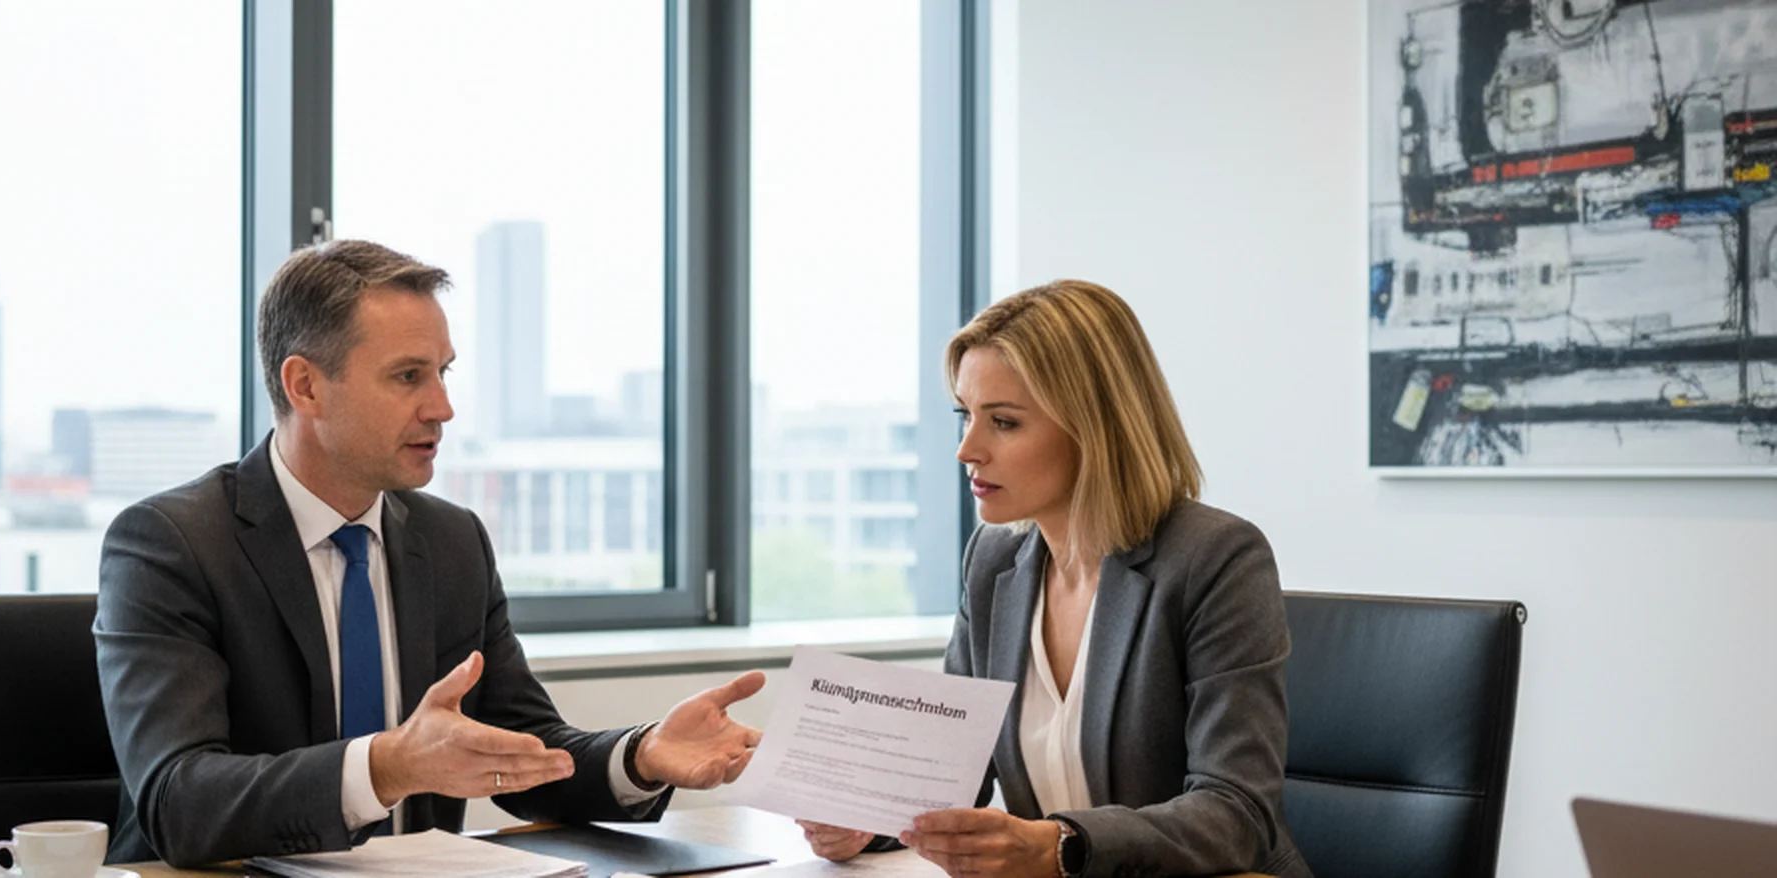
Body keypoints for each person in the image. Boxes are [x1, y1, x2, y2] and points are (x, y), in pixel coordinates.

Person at [95, 240, 764, 866]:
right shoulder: (172, 543)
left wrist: (642, 755)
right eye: (408, 376)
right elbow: (178, 801)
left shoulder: (452, 542)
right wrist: (388, 766)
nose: (442, 407)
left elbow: (527, 755)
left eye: (442, 373)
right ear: (305, 386)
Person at [798, 281, 1310, 878]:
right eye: (966, 415)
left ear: (1095, 428)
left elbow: (1237, 813)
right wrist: (871, 817)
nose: (968, 449)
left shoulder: (1214, 558)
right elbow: (954, 772)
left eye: (1005, 423)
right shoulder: (992, 561)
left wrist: (1060, 845)